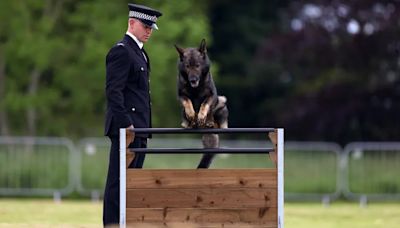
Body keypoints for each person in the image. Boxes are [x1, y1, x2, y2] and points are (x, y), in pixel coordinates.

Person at [103, 3, 162, 226]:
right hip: (126, 130)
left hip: (140, 129)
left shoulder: (140, 52)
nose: (148, 31)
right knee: (118, 183)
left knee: (132, 183)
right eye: (145, 26)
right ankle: (112, 224)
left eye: (151, 28)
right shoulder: (121, 50)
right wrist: (126, 124)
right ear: (132, 23)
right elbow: (113, 92)